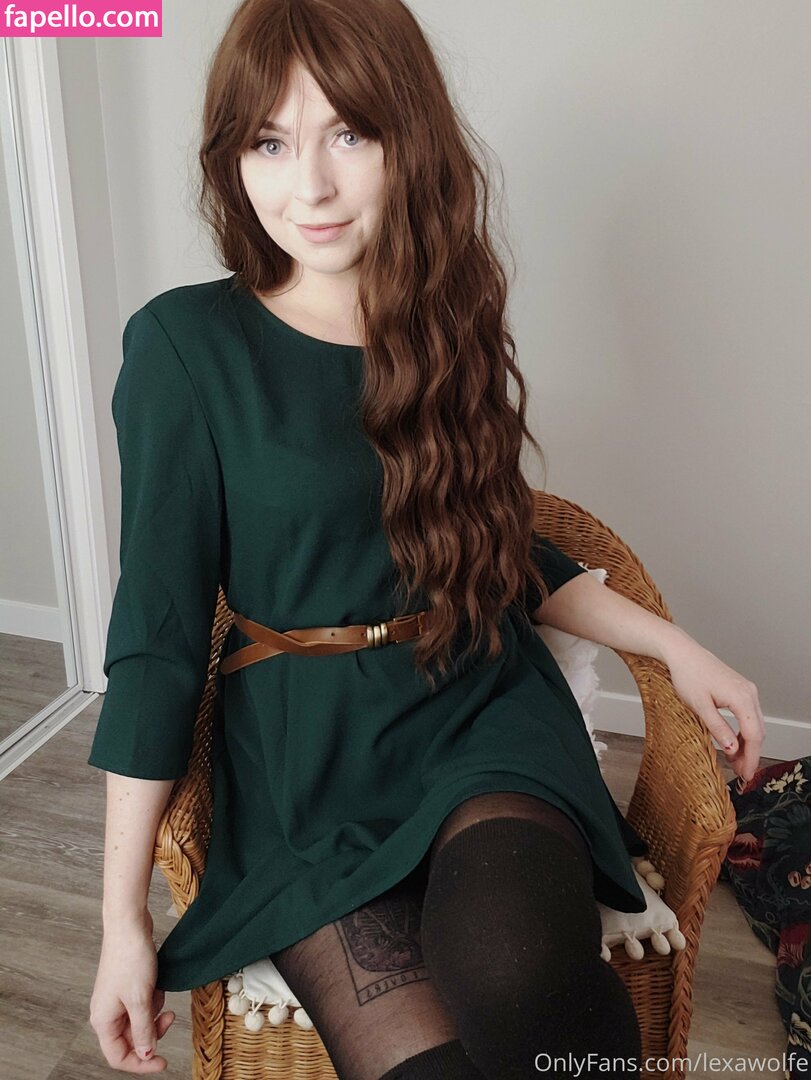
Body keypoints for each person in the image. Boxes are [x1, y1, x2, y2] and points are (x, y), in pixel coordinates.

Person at [87, 1, 765, 1076]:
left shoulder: (445, 319)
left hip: (476, 706)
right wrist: (121, 920)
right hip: (306, 759)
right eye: (269, 142)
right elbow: (158, 641)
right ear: (231, 157)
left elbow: (501, 546)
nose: (308, 186)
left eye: (348, 133)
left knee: (516, 972)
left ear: (409, 138)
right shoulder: (184, 346)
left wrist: (679, 647)